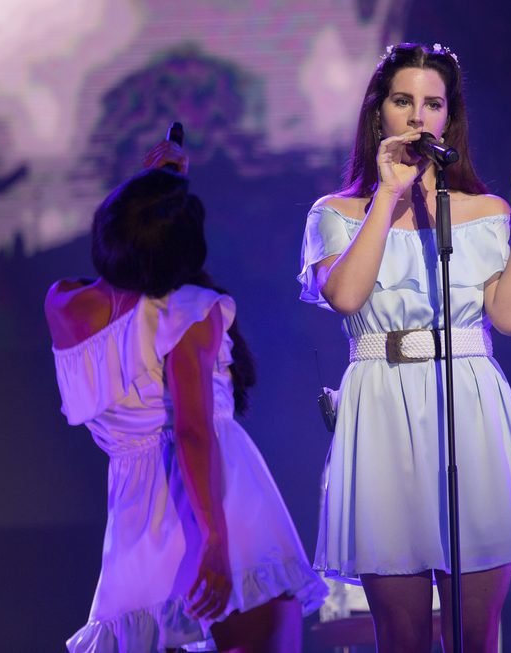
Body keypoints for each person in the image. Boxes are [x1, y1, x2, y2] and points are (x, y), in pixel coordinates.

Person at [298, 42, 511, 652]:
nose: (419, 117)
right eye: (403, 101)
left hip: (467, 400)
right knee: (403, 634)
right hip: (382, 405)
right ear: (379, 115)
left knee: (476, 634)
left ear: (449, 118)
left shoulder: (486, 211)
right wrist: (388, 195)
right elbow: (344, 295)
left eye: (433, 104)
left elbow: (510, 317)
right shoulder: (336, 213)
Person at [46, 143, 327, 653]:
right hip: (221, 505)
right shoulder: (189, 312)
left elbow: (114, 245)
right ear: (184, 253)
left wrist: (145, 191)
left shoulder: (66, 304)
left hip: (136, 526)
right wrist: (214, 542)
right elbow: (193, 431)